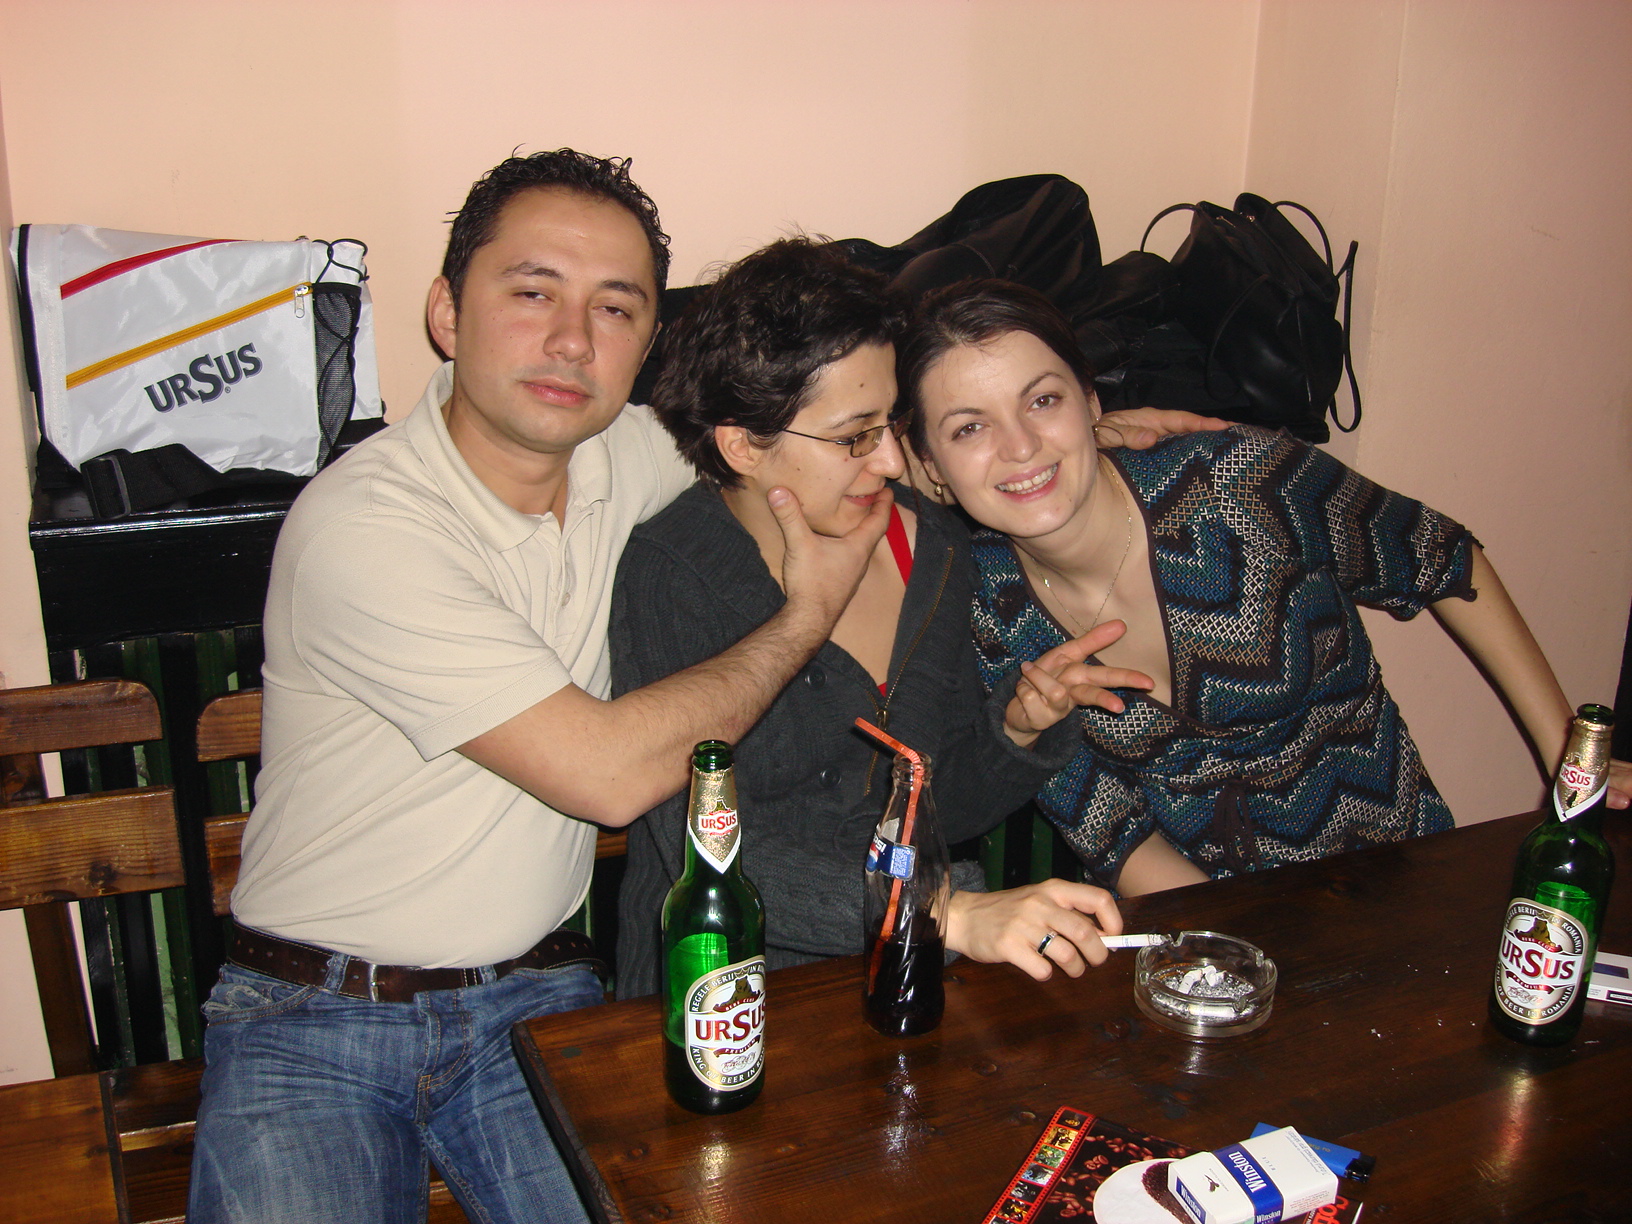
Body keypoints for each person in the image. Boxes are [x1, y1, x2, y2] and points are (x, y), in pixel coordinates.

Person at [189, 152, 900, 1224]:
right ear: (447, 312)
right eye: (532, 293)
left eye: (614, 308)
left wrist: (1080, 439)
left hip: (538, 1000)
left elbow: (810, 439)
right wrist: (804, 616)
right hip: (311, 1013)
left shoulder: (630, 454)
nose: (573, 341)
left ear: (645, 345)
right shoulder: (365, 526)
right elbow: (607, 777)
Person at [899, 279, 1631, 897]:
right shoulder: (981, 607)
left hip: (1396, 878)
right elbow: (1111, 830)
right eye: (968, 429)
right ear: (930, 465)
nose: (1020, 446)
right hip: (1206, 927)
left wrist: (1563, 749)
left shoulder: (1239, 486)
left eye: (1042, 401)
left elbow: (1442, 558)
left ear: (1091, 402)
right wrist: (1235, 949)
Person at [609, 239, 1188, 997]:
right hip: (727, 994)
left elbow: (937, 809)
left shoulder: (932, 546)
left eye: (890, 423)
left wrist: (1016, 731)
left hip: (914, 976)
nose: (889, 461)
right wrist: (945, 911)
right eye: (855, 435)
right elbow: (706, 853)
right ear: (743, 444)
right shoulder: (672, 575)